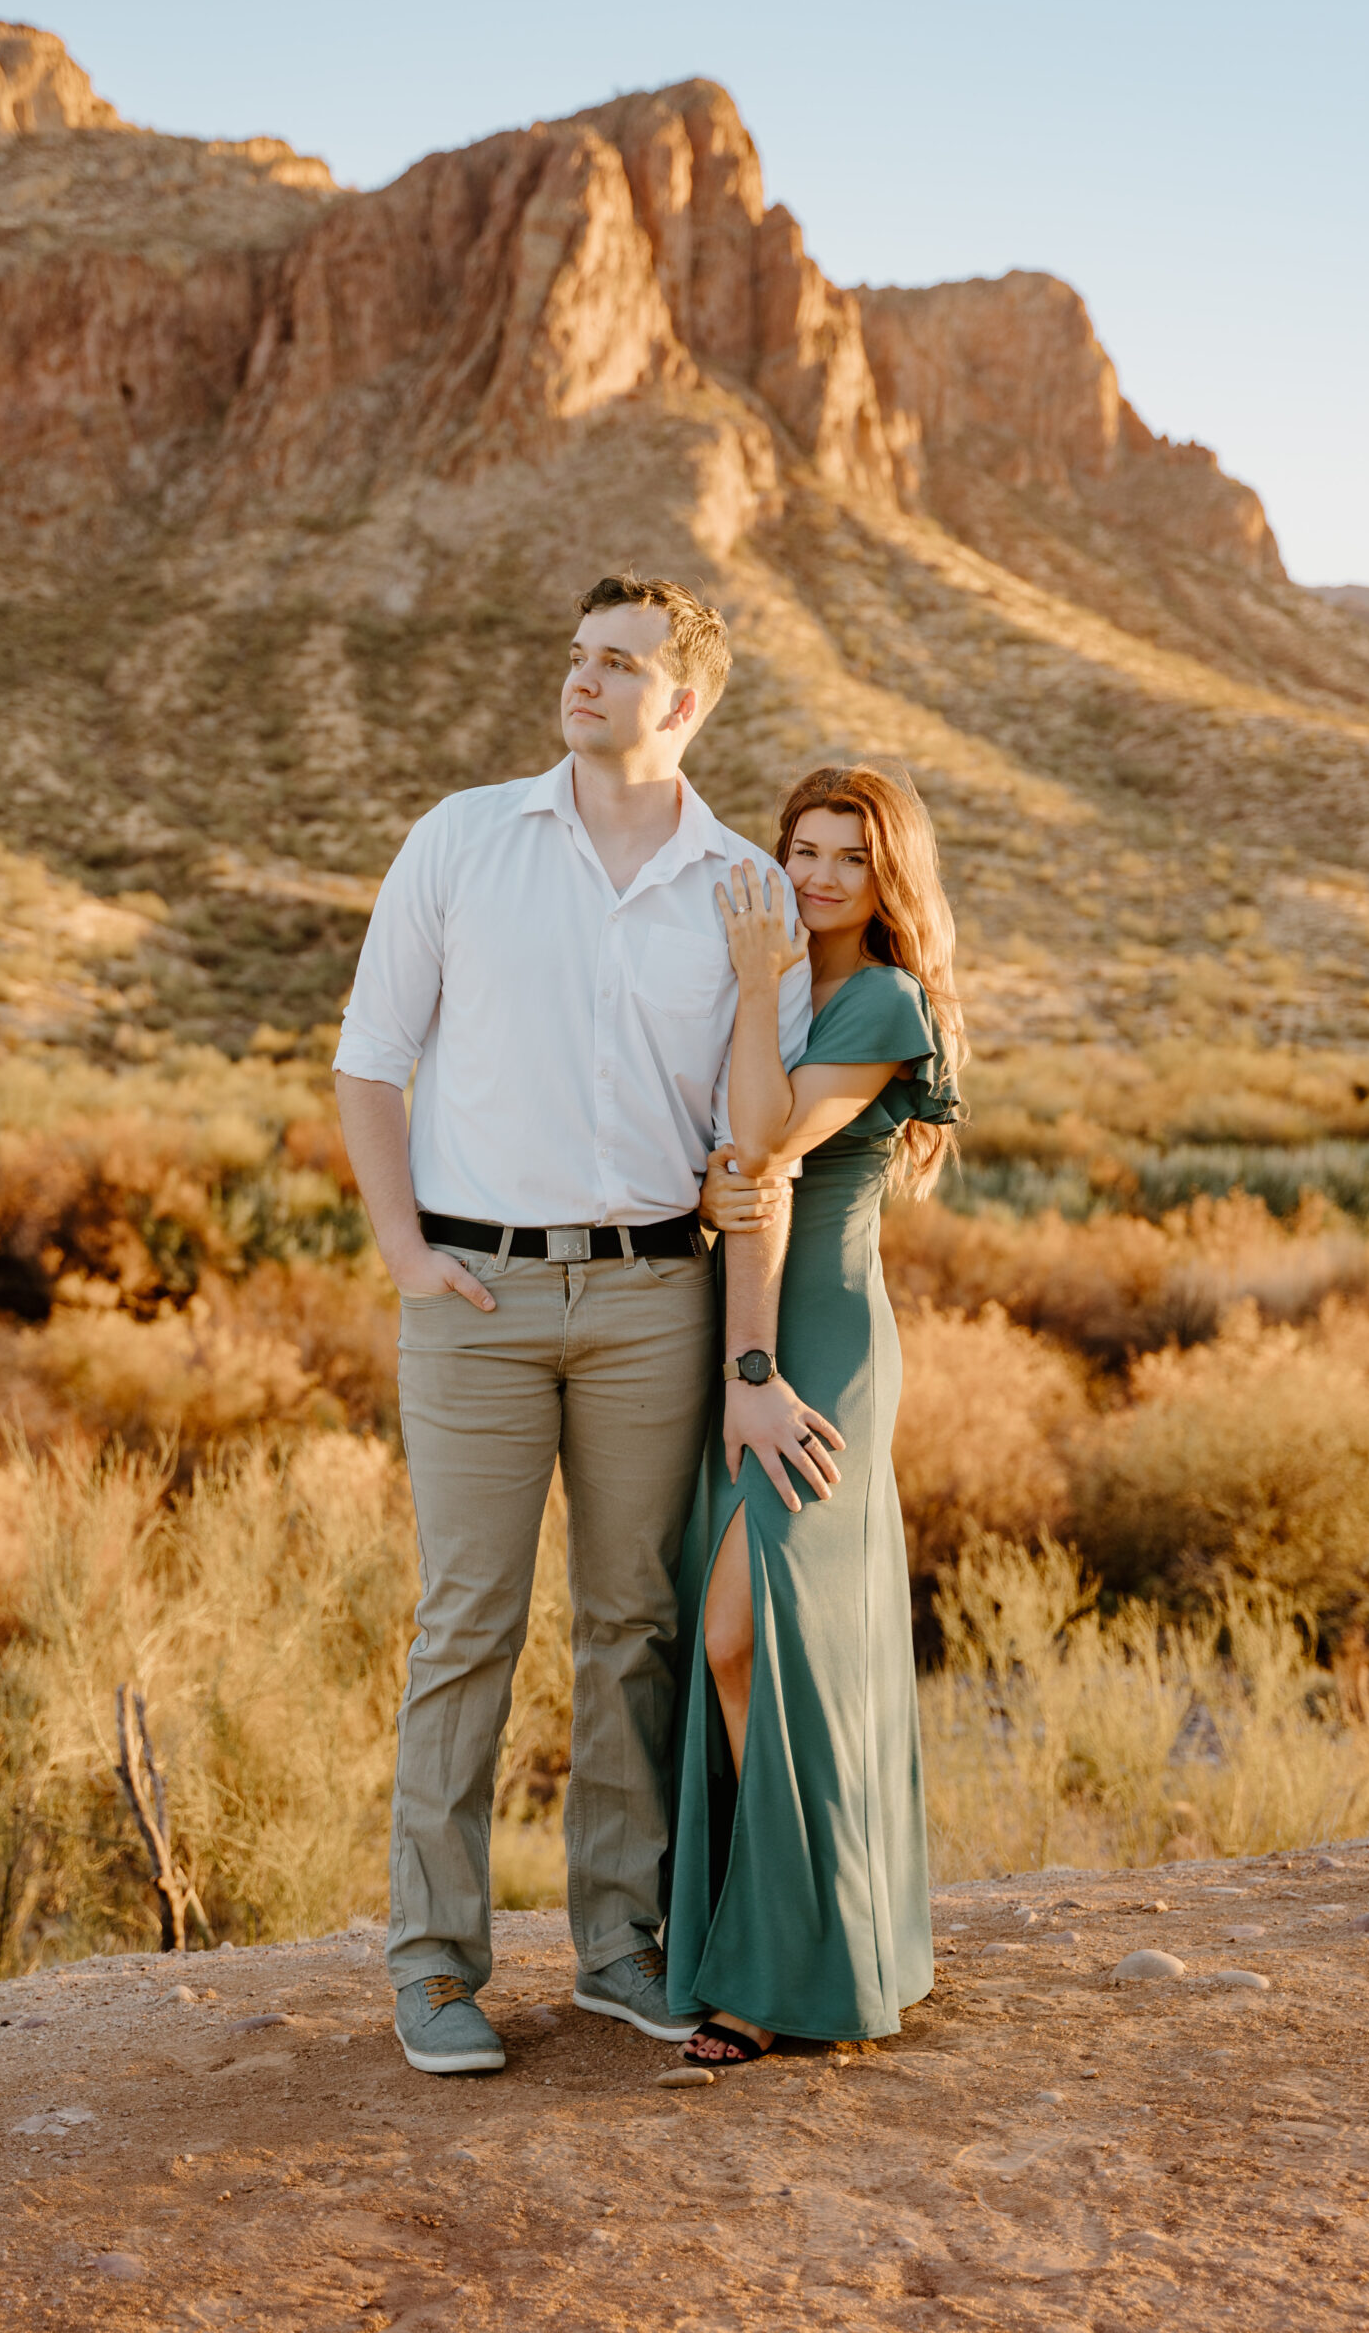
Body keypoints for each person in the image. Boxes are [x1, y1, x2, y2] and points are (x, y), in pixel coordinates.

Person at [333, 571, 843, 2076]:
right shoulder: (463, 838)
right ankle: (434, 1968)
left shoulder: (747, 889)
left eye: (618, 664)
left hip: (649, 1298)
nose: (583, 679)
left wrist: (745, 1352)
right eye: (577, 656)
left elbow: (762, 1155)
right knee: (465, 1628)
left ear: (684, 704)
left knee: (636, 1624)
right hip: (476, 1298)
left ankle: (622, 1947)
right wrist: (404, 1249)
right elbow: (370, 1063)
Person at [667, 760, 967, 2065]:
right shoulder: (798, 987)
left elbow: (771, 1143)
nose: (821, 876)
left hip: (823, 1351)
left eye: (849, 856)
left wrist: (745, 991)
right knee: (757, 1646)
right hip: (741, 1337)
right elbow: (724, 1162)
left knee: (754, 1632)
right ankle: (812, 1945)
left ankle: (801, 1958)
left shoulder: (886, 998)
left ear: (885, 874)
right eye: (804, 849)